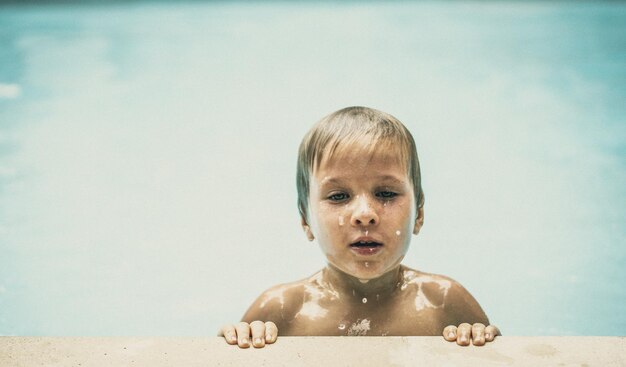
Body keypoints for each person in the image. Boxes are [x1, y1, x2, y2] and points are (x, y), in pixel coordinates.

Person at [219, 106, 500, 348]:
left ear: (419, 213)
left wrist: (480, 338)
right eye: (339, 196)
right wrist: (236, 337)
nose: (365, 215)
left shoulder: (444, 303)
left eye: (386, 194)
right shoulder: (282, 310)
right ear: (306, 219)